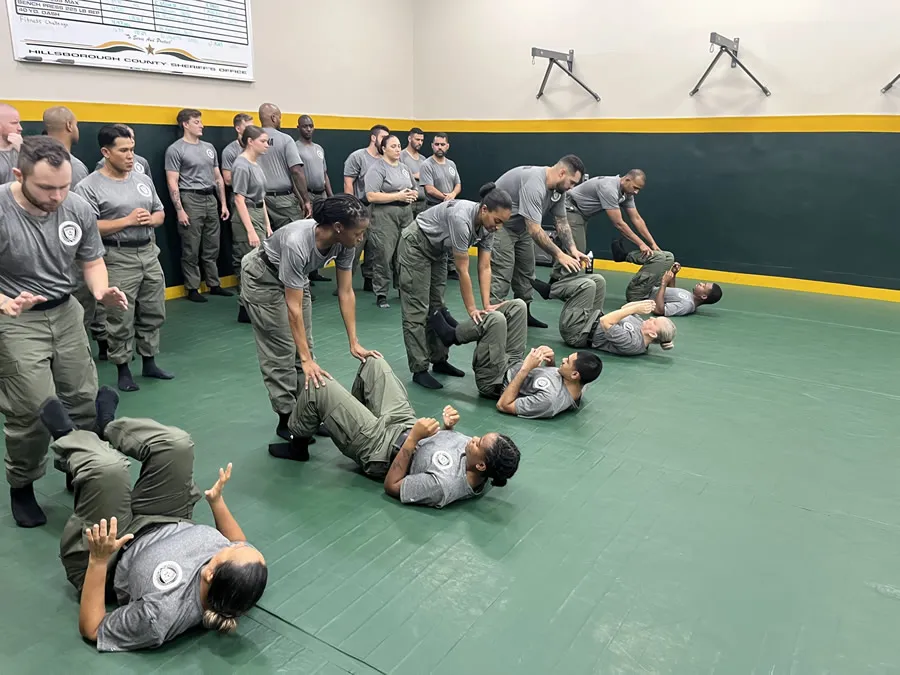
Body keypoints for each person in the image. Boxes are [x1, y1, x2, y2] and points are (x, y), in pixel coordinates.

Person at [38, 387, 267, 651]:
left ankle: (69, 438)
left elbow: (93, 629)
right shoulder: (244, 580)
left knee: (107, 470)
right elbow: (240, 542)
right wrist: (217, 502)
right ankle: (107, 427)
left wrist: (98, 560)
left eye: (230, 550)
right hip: (166, 516)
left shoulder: (160, 615)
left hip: (113, 550)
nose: (235, 544)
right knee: (177, 444)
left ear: (209, 573)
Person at [0, 136, 127, 528]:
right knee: (32, 411)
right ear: (19, 175)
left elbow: (92, 260)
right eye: (46, 188)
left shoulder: (76, 207)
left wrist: (100, 290)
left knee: (83, 401)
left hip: (67, 311)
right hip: (16, 316)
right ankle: (22, 485)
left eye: (64, 186)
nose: (57, 196)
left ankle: (79, 468)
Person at [278, 357, 521, 509]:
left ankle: (297, 444)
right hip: (404, 423)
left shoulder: (444, 487)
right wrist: (449, 428)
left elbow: (392, 486)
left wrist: (414, 439)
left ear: (480, 466)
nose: (474, 439)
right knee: (374, 363)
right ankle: (344, 418)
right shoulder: (483, 465)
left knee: (319, 386)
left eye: (478, 443)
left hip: (380, 449)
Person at [241, 194, 380, 441]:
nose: (361, 238)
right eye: (358, 232)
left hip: (296, 277)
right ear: (338, 228)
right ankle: (287, 419)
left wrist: (353, 341)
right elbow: (293, 308)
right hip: (263, 277)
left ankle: (305, 415)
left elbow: (346, 292)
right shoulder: (298, 243)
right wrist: (304, 359)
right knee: (282, 349)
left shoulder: (345, 243)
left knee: (306, 348)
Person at [75, 124, 172, 392]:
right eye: (124, 150)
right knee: (119, 315)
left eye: (132, 149)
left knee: (153, 309)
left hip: (148, 252)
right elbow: (90, 226)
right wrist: (127, 221)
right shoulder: (89, 186)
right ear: (106, 152)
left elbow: (160, 213)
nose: (131, 156)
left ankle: (150, 362)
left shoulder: (142, 180)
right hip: (116, 255)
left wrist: (151, 219)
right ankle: (123, 368)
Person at [398, 183, 511, 389]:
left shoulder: (489, 226)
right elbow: (462, 270)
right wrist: (471, 309)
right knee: (417, 310)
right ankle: (419, 369)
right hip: (416, 244)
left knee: (437, 306)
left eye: (502, 223)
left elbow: (485, 266)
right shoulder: (462, 219)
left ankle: (439, 360)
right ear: (484, 209)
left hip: (438, 249)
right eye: (497, 221)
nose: (498, 227)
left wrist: (486, 305)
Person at [492, 156, 589, 329]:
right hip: (500, 227)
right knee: (503, 271)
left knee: (527, 272)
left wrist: (572, 249)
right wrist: (559, 255)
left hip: (520, 227)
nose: (572, 187)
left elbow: (561, 221)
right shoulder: (534, 184)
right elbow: (535, 229)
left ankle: (523, 316)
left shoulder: (558, 191)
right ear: (562, 172)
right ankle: (494, 319)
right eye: (572, 182)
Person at [165, 108, 232, 303]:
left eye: (201, 121)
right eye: (196, 122)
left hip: (210, 198)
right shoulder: (176, 149)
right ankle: (193, 287)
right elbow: (172, 181)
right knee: (191, 247)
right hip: (190, 198)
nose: (201, 125)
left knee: (212, 245)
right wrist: (180, 210)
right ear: (185, 124)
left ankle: (214, 283)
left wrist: (223, 204)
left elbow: (218, 177)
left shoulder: (209, 147)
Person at [532, 274, 676, 355]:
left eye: (654, 322)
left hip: (578, 332)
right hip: (592, 318)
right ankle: (557, 289)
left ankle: (551, 292)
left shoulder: (633, 344)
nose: (651, 318)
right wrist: (637, 306)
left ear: (652, 334)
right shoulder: (641, 326)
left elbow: (606, 322)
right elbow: (624, 309)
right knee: (598, 280)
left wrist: (634, 309)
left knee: (587, 286)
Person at [365, 134, 418, 309]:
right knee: (384, 255)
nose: (397, 149)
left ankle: (403, 289)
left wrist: (413, 194)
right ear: (384, 148)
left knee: (404, 254)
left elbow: (414, 187)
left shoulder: (404, 168)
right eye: (393, 146)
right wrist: (398, 195)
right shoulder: (377, 169)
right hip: (384, 216)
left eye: (398, 146)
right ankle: (381, 293)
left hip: (405, 214)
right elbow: (371, 195)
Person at [230, 125, 274, 324]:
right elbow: (239, 198)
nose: (267, 145)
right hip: (245, 215)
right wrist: (250, 230)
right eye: (263, 141)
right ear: (250, 141)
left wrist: (267, 224)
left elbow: (261, 198)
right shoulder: (241, 165)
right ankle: (245, 308)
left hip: (257, 211)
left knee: (261, 262)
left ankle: (254, 306)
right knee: (249, 263)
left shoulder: (256, 164)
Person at [566, 170, 659, 260]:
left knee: (571, 247)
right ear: (627, 180)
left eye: (638, 189)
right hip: (571, 208)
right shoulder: (609, 188)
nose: (636, 192)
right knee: (577, 251)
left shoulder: (627, 193)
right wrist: (641, 244)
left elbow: (636, 219)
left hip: (582, 214)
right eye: (635, 188)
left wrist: (652, 243)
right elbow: (619, 224)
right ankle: (560, 275)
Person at [612, 241, 723, 315]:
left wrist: (664, 283)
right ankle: (625, 256)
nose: (700, 283)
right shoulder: (690, 297)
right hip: (651, 288)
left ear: (703, 296)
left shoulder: (687, 306)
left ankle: (625, 256)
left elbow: (660, 310)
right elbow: (671, 291)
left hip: (639, 296)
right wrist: (673, 274)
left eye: (703, 286)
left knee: (659, 258)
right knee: (669, 257)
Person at [343, 124, 390, 291]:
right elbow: (348, 182)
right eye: (382, 137)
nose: (385, 141)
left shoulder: (386, 159)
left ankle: (369, 279)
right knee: (355, 246)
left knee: (374, 246)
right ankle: (345, 282)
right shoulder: (358, 157)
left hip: (380, 207)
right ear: (373, 137)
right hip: (361, 205)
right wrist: (352, 205)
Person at [496, 346, 602, 419]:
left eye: (567, 361)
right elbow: (554, 383)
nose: (564, 359)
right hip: (514, 361)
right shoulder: (579, 384)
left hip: (497, 377)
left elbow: (503, 405)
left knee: (496, 321)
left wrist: (526, 368)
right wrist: (550, 362)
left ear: (574, 375)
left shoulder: (549, 401)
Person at [257, 102, 311, 227]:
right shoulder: (285, 139)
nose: (280, 121)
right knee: (293, 236)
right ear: (274, 118)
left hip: (259, 200)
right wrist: (306, 200)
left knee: (266, 240)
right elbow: (296, 171)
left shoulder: (252, 140)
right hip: (283, 201)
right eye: (279, 117)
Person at [420, 133, 463, 279]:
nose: (439, 147)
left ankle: (450, 268)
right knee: (435, 240)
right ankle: (433, 267)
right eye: (437, 144)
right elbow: (429, 188)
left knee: (450, 237)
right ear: (432, 146)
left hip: (450, 207)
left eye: (442, 144)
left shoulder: (451, 164)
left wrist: (452, 195)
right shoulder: (427, 165)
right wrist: (445, 197)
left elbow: (458, 184)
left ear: (447, 146)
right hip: (433, 208)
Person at [296, 114, 332, 283]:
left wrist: (330, 196)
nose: (308, 129)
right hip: (307, 194)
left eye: (311, 125)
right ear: (299, 128)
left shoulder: (319, 148)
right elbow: (295, 175)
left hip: (321, 194)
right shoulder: (295, 148)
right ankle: (304, 273)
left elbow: (325, 174)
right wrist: (303, 199)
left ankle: (315, 271)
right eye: (305, 126)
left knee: (321, 232)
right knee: (307, 234)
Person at [221, 113, 254, 188]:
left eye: (253, 127)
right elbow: (228, 180)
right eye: (248, 128)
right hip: (239, 192)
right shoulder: (230, 151)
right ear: (238, 129)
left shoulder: (257, 147)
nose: (251, 131)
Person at [400, 127, 427, 217]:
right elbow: (395, 174)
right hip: (408, 202)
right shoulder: (400, 156)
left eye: (422, 140)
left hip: (423, 203)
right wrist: (415, 175)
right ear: (409, 138)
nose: (420, 142)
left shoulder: (423, 159)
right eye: (417, 139)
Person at [0, 103, 23, 184]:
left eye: (19, 123)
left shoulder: (21, 148)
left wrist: (22, 150)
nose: (20, 128)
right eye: (14, 123)